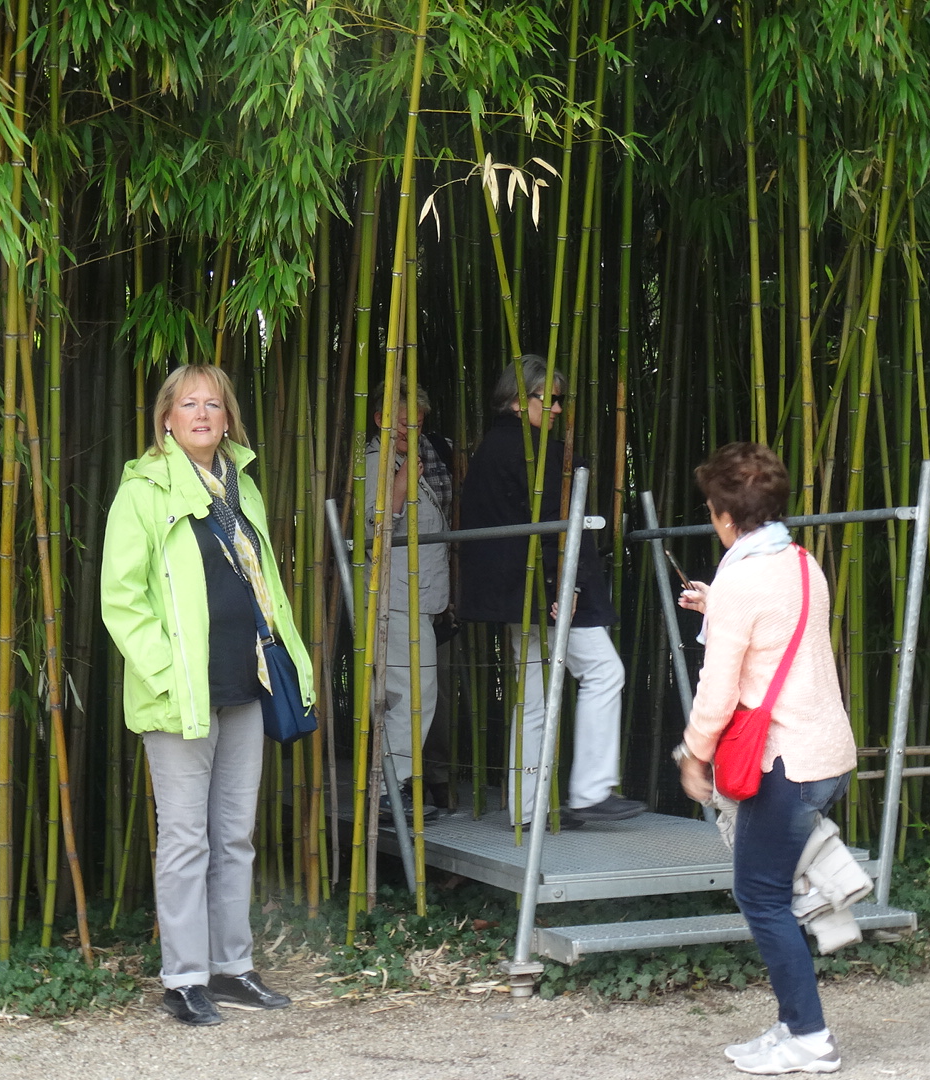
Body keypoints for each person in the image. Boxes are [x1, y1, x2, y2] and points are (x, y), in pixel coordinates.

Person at [100, 363, 311, 1027]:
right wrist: (166, 673)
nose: (201, 414)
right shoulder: (143, 491)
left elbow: (264, 583)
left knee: (235, 834)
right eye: (188, 404)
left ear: (226, 419)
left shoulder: (241, 486)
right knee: (186, 839)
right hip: (180, 694)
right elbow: (121, 599)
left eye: (212, 405)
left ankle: (231, 967)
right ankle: (184, 978)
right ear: (166, 418)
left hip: (245, 680)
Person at [675, 443, 853, 1075]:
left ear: (725, 515)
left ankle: (810, 1038)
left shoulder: (741, 579)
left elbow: (718, 690)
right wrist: (716, 606)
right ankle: (792, 1023)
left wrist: (693, 753)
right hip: (828, 753)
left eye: (711, 509)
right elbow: (778, 634)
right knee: (775, 890)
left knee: (761, 896)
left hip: (786, 761)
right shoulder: (801, 562)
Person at [457, 355, 643, 828]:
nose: (558, 408)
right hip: (547, 590)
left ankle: (527, 808)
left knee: (533, 699)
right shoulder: (535, 452)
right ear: (520, 401)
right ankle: (590, 791)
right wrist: (568, 583)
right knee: (603, 672)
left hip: (517, 593)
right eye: (551, 399)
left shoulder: (490, 449)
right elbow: (554, 526)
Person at [364, 385, 455, 823]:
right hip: (396, 597)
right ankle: (388, 789)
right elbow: (375, 527)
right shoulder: (376, 463)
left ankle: (392, 785)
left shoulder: (410, 459)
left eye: (416, 423)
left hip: (414, 597)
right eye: (402, 422)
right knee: (411, 694)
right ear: (380, 418)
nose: (410, 430)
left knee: (410, 692)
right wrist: (401, 483)